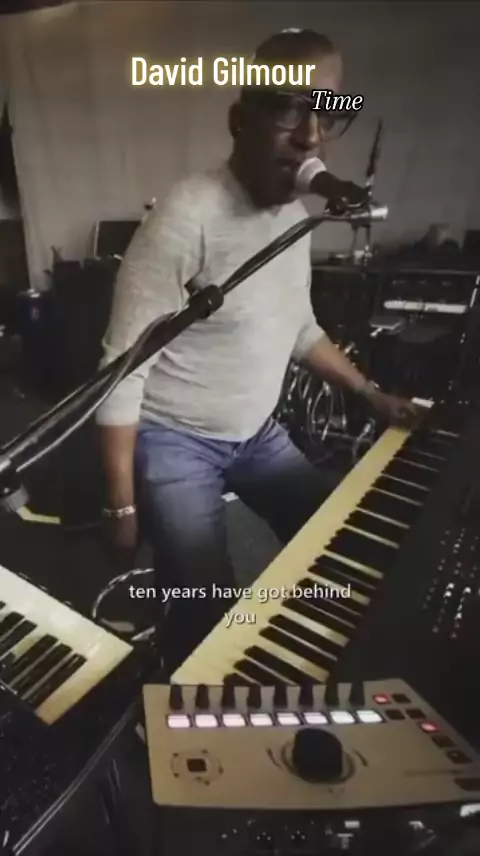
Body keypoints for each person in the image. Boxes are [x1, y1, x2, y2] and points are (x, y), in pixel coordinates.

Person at [96, 29, 419, 675]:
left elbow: (298, 329)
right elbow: (120, 372)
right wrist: (122, 507)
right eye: (288, 109)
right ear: (238, 120)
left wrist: (368, 393)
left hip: (256, 434)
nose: (311, 136)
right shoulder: (186, 218)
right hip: (175, 438)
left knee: (340, 543)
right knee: (206, 612)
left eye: (327, 110)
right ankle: (186, 683)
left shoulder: (295, 219)